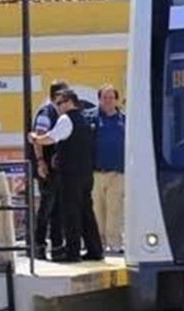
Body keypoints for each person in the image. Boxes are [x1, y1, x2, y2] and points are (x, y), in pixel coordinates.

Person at [32, 89, 103, 262]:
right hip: (86, 173)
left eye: (59, 103)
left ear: (69, 102)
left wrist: (35, 138)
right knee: (87, 212)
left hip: (70, 174)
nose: (58, 107)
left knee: (71, 213)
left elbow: (51, 138)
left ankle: (72, 252)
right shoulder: (85, 119)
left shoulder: (66, 119)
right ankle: (95, 250)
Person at [28, 80, 71, 257]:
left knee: (57, 208)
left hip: (56, 168)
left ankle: (56, 245)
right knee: (47, 207)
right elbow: (38, 138)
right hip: (47, 168)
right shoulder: (47, 113)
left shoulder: (58, 113)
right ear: (57, 95)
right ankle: (39, 244)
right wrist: (40, 162)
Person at [91, 85, 126, 254]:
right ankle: (99, 243)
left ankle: (114, 243)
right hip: (96, 172)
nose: (108, 101)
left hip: (117, 173)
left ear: (116, 100)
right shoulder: (91, 119)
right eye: (104, 97)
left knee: (115, 210)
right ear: (99, 99)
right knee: (97, 210)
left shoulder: (124, 120)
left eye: (111, 97)